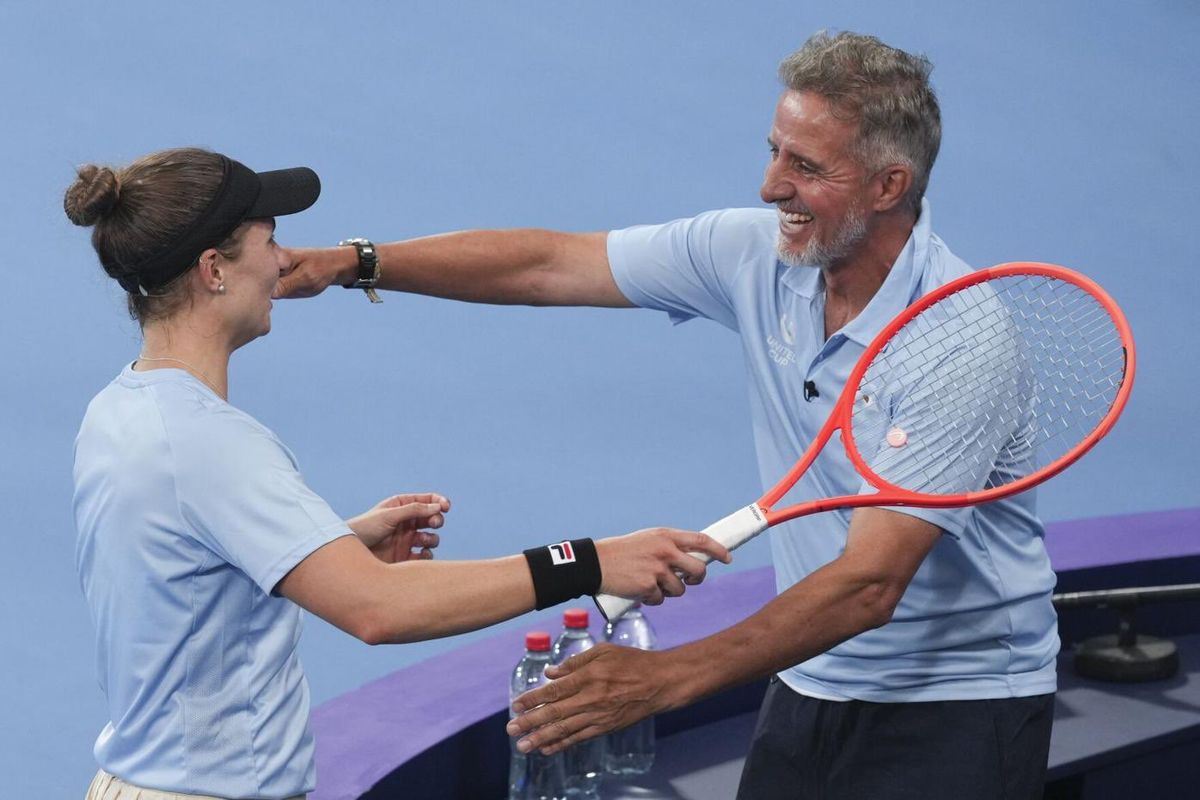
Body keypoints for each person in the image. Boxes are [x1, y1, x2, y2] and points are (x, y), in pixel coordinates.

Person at [276, 31, 1058, 800]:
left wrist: (669, 678)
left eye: (806, 167)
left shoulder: (957, 341)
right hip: (814, 677)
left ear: (889, 186)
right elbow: (551, 263)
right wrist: (353, 263)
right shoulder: (757, 254)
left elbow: (870, 583)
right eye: (776, 150)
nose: (770, 186)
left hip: (961, 703)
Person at [66, 147, 731, 800]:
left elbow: (180, 566)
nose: (282, 261)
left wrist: (335, 543)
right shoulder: (213, 444)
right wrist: (586, 562)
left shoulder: (120, 410)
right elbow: (379, 610)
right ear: (214, 269)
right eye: (269, 241)